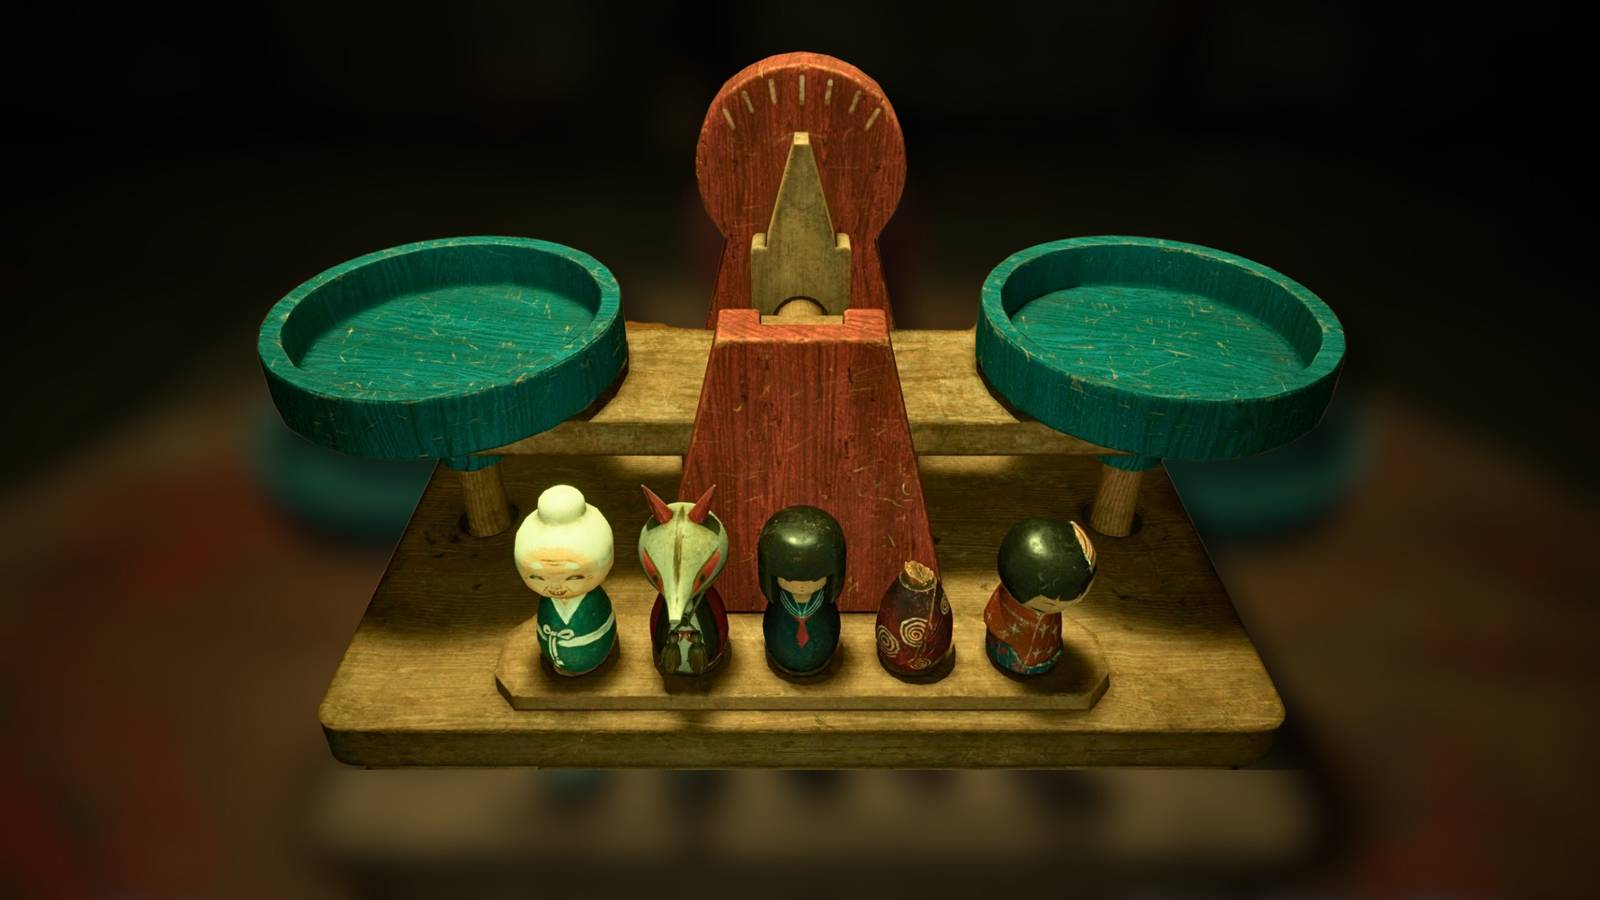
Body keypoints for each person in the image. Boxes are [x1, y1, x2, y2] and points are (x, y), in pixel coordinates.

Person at [513, 484, 617, 676]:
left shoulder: (592, 600)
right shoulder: (548, 602)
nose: (555, 586)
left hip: (594, 651)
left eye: (574, 577)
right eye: (537, 577)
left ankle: (591, 661)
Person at [983, 517, 1097, 676]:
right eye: (1050, 603)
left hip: (1045, 642)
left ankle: (1037, 662)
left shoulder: (1050, 607)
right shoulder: (1013, 597)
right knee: (1012, 646)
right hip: (1012, 640)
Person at [758, 506, 846, 677]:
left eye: (814, 580)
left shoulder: (823, 602)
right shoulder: (780, 601)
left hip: (823, 650)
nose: (801, 586)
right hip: (779, 644)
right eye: (789, 580)